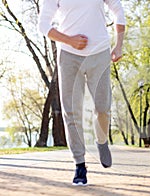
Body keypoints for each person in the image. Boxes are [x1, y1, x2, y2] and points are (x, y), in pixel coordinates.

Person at [38, 0, 126, 186]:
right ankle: (79, 163)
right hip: (69, 56)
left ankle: (101, 141)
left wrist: (119, 45)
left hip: (100, 51)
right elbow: (43, 24)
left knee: (103, 107)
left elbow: (118, 9)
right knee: (72, 112)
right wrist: (69, 40)